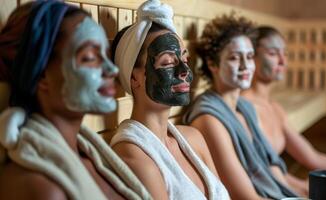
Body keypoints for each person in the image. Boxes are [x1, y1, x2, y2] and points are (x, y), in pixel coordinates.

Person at [0, 1, 151, 199]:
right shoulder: (38, 186)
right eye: (89, 57)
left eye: (105, 54)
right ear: (43, 74)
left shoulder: (90, 155)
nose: (112, 69)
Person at [109, 0, 229, 199]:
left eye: (184, 59)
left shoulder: (193, 138)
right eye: (167, 62)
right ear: (133, 77)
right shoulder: (132, 154)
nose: (184, 71)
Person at [182, 14, 300, 199]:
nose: (246, 66)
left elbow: (275, 174)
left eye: (250, 56)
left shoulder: (246, 108)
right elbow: (244, 196)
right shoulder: (208, 119)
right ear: (213, 64)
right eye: (235, 58)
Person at [242, 25, 326, 198]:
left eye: (285, 53)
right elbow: (260, 171)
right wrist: (305, 188)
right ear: (252, 58)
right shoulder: (244, 109)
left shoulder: (274, 108)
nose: (283, 61)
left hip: (287, 183)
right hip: (273, 191)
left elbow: (313, 157)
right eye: (273, 54)